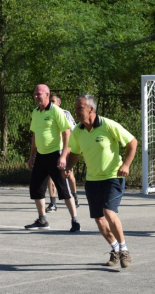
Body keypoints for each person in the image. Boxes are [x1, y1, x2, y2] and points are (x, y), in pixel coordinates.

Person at [65, 95, 137, 268]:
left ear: (91, 109)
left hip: (113, 176)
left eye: (79, 108)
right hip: (92, 180)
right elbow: (74, 152)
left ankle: (124, 250)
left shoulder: (108, 125)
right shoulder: (77, 131)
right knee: (99, 219)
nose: (76, 111)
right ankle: (115, 249)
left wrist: (126, 164)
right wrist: (69, 166)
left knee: (109, 213)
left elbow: (132, 142)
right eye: (75, 108)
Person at [25, 84, 80, 232]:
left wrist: (63, 156)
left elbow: (67, 133)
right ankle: (42, 220)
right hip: (41, 157)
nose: (36, 96)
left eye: (39, 94)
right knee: (36, 188)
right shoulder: (35, 112)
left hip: (55, 154)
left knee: (63, 189)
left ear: (47, 95)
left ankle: (75, 221)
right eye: (35, 94)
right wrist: (31, 156)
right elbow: (35, 135)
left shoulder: (56, 111)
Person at [46, 93, 79, 212]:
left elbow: (73, 131)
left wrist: (68, 149)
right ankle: (53, 203)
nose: (51, 103)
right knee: (50, 176)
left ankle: (74, 197)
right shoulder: (47, 113)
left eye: (53, 101)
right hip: (53, 149)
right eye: (50, 101)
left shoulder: (65, 114)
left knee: (69, 174)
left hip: (65, 148)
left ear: (59, 103)